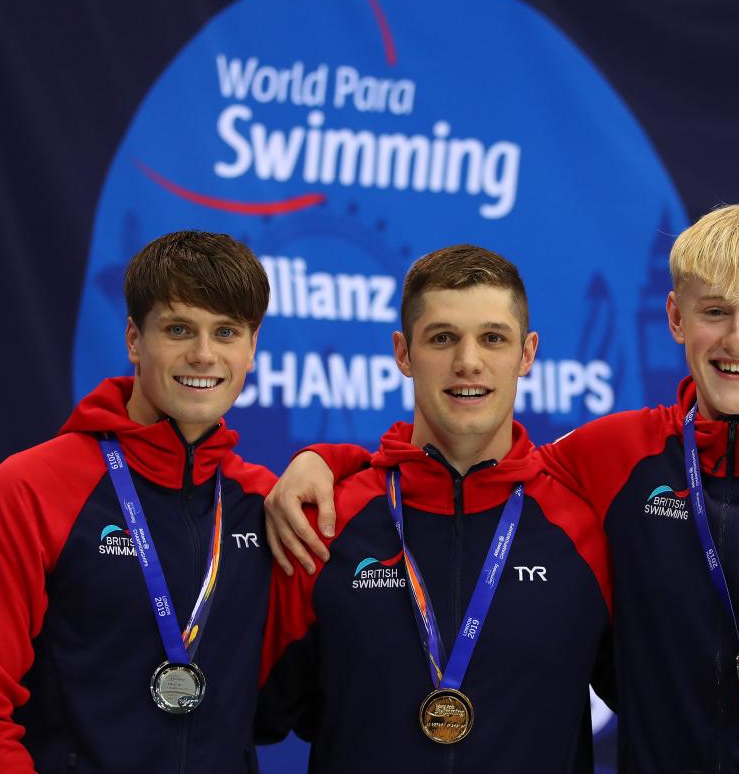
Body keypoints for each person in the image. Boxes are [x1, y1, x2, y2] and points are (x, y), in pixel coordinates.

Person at [266, 205, 739, 773]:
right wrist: (327, 462)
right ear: (676, 318)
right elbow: (470, 458)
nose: (738, 339)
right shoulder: (612, 457)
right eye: (715, 312)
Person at [255, 244, 613, 772]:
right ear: (403, 353)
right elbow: (254, 714)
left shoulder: (584, 525)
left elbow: (666, 706)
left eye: (493, 338)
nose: (468, 361)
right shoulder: (327, 521)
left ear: (527, 353)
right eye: (442, 338)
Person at [0, 231, 279, 772]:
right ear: (135, 341)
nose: (204, 355)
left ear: (251, 348)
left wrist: (325, 461)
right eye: (179, 329)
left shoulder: (262, 501)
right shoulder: (26, 491)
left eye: (226, 331)